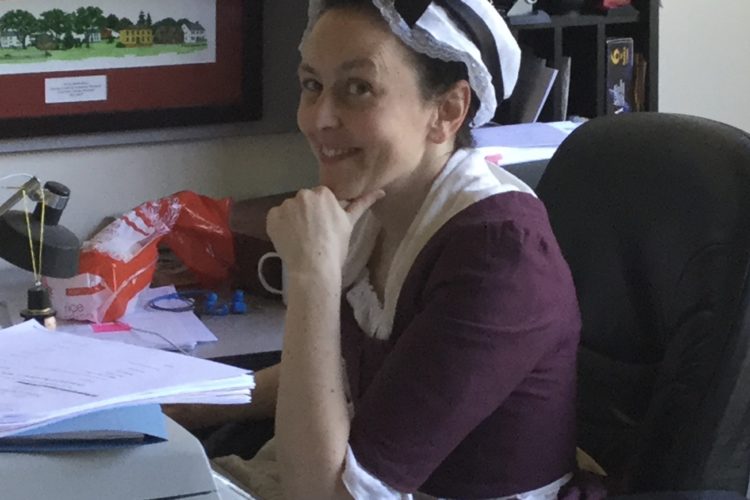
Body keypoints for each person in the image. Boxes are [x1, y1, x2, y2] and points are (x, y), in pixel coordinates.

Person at [170, 1, 584, 498]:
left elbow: (327, 496)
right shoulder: (379, 206)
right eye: (312, 85)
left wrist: (312, 280)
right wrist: (170, 405)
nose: (319, 119)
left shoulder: (500, 256)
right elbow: (341, 375)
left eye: (358, 89)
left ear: (448, 111)